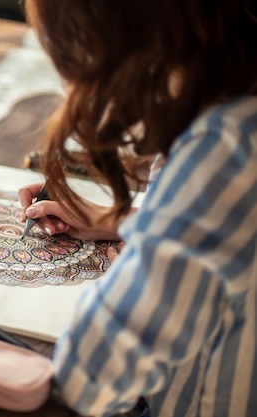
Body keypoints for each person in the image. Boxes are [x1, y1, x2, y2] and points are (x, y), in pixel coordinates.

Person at [17, 1, 257, 416]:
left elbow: (88, 379)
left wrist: (132, 277)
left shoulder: (223, 153)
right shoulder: (231, 107)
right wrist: (120, 221)